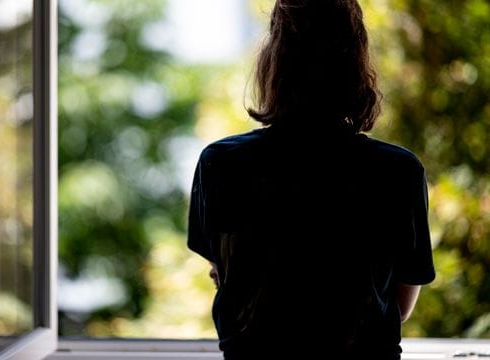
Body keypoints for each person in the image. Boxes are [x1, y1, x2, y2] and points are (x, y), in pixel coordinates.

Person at [186, 0, 436, 359]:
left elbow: (229, 279)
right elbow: (398, 305)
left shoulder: (221, 164)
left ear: (273, 62)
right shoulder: (398, 171)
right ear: (356, 63)